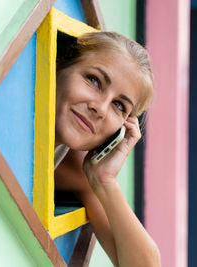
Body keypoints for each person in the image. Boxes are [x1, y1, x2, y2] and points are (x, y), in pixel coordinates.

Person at [53, 31, 160, 267]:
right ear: (58, 64)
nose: (100, 108)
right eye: (93, 80)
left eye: (119, 105)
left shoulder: (74, 166)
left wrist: (104, 179)